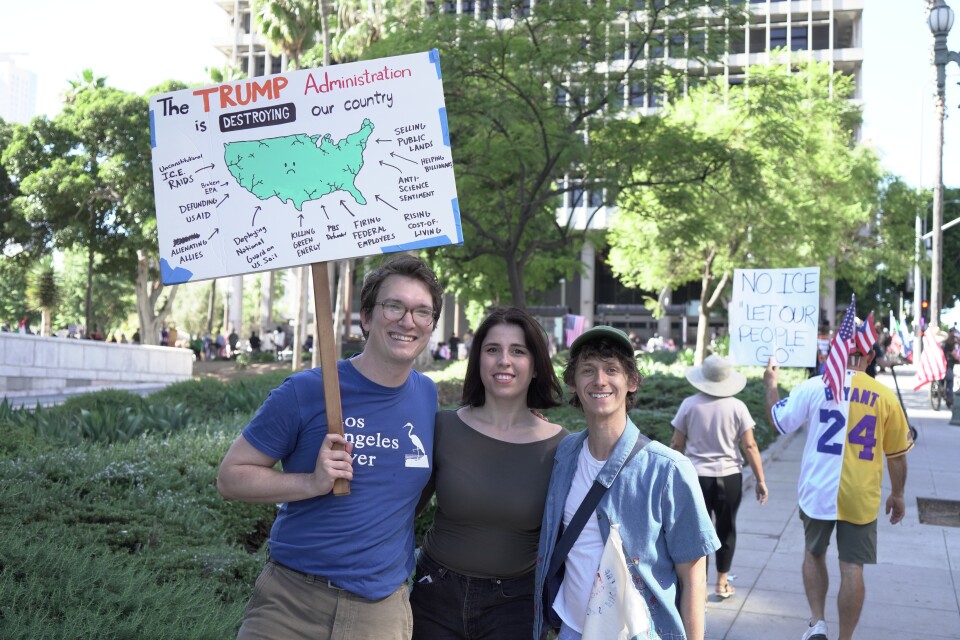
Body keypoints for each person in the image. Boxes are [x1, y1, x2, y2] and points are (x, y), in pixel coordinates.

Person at [217, 254, 444, 640]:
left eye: (422, 312)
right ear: (366, 318)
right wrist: (310, 483)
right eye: (394, 306)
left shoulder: (427, 396)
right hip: (290, 605)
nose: (408, 321)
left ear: (431, 326)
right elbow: (230, 477)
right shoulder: (306, 390)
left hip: (380, 612)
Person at [534, 326, 720, 640]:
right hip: (572, 630)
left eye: (612, 370)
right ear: (574, 383)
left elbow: (694, 576)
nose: (600, 380)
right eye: (588, 370)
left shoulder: (669, 469)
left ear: (631, 381)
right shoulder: (564, 455)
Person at [412, 307, 568, 640]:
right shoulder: (443, 426)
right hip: (435, 594)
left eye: (518, 351)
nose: (504, 360)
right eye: (492, 349)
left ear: (537, 365)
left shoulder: (561, 447)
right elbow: (401, 510)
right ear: (478, 359)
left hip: (515, 606)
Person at [763, 321, 912, 640]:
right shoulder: (885, 396)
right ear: (870, 356)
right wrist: (898, 494)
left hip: (817, 490)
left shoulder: (815, 386)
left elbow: (778, 419)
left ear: (836, 352)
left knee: (813, 554)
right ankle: (845, 638)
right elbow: (897, 455)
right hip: (861, 495)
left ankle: (817, 621)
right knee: (852, 567)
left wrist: (771, 383)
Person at [669, 355, 768, 601]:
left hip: (696, 478)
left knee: (697, 532)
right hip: (730, 477)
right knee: (726, 529)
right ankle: (722, 583)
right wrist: (760, 480)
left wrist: (668, 477)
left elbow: (676, 444)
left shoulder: (689, 405)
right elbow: (750, 445)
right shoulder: (738, 407)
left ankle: (697, 588)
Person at [940, 327, 958, 408]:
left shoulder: (938, 344)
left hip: (939, 367)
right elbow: (954, 354)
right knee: (950, 382)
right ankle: (949, 399)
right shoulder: (949, 343)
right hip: (947, 366)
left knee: (943, 380)